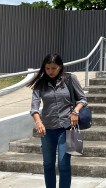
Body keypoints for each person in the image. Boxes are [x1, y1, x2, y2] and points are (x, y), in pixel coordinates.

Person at [27, 53, 87, 188]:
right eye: (47, 68)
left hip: (67, 128)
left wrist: (76, 111)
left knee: (63, 163)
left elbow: (83, 99)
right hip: (47, 130)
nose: (50, 71)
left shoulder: (70, 79)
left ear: (60, 67)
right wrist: (38, 122)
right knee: (48, 164)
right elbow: (34, 107)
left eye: (53, 68)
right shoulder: (40, 84)